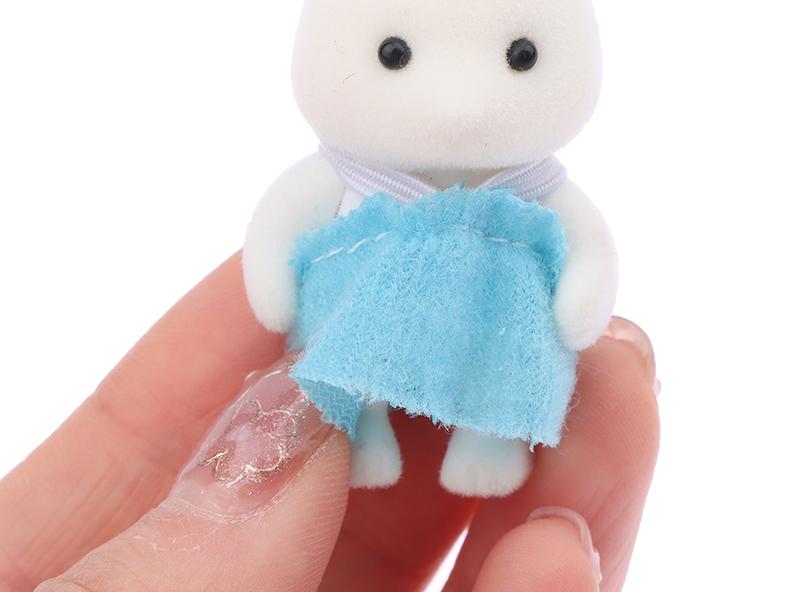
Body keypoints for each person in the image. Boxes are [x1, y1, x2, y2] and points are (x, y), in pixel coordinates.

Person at [0, 252, 659, 591]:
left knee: (497, 363)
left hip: (477, 321)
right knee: (340, 382)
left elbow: (582, 248)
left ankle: (485, 440)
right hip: (362, 334)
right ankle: (369, 436)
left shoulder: (530, 201)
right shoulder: (356, 184)